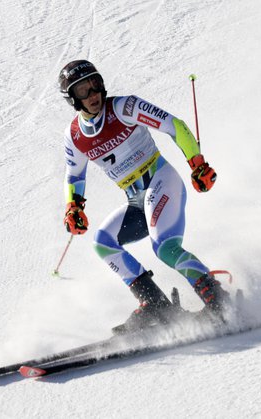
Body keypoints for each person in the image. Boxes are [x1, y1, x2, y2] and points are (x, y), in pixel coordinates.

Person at [57, 60, 229, 332]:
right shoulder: (75, 136)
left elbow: (175, 125)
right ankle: (156, 306)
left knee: (165, 248)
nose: (93, 95)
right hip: (136, 200)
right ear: (72, 99)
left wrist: (197, 164)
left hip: (161, 181)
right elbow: (75, 175)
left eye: (96, 85)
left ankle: (219, 300)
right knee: (104, 242)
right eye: (83, 91)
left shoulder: (124, 108)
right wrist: (73, 207)